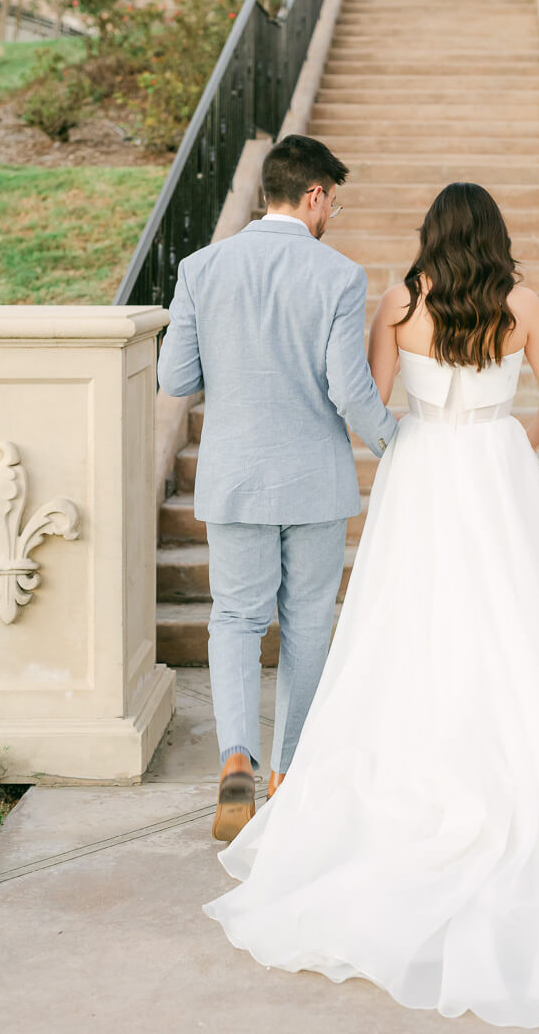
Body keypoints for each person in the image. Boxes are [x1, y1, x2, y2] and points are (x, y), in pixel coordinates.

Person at [201, 182, 539, 1028]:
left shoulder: (397, 299)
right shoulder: (523, 301)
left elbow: (375, 404)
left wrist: (426, 436)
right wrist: (507, 444)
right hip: (499, 475)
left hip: (421, 472)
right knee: (524, 628)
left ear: (431, 234)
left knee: (408, 627)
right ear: (494, 235)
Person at [157, 134, 397, 841]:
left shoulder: (202, 269)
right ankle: (289, 773)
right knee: (308, 624)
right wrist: (397, 442)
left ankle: (237, 757)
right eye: (335, 202)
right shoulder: (339, 276)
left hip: (235, 478)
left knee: (234, 618)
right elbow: (348, 388)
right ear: (315, 194)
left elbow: (175, 379)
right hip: (313, 481)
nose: (335, 216)